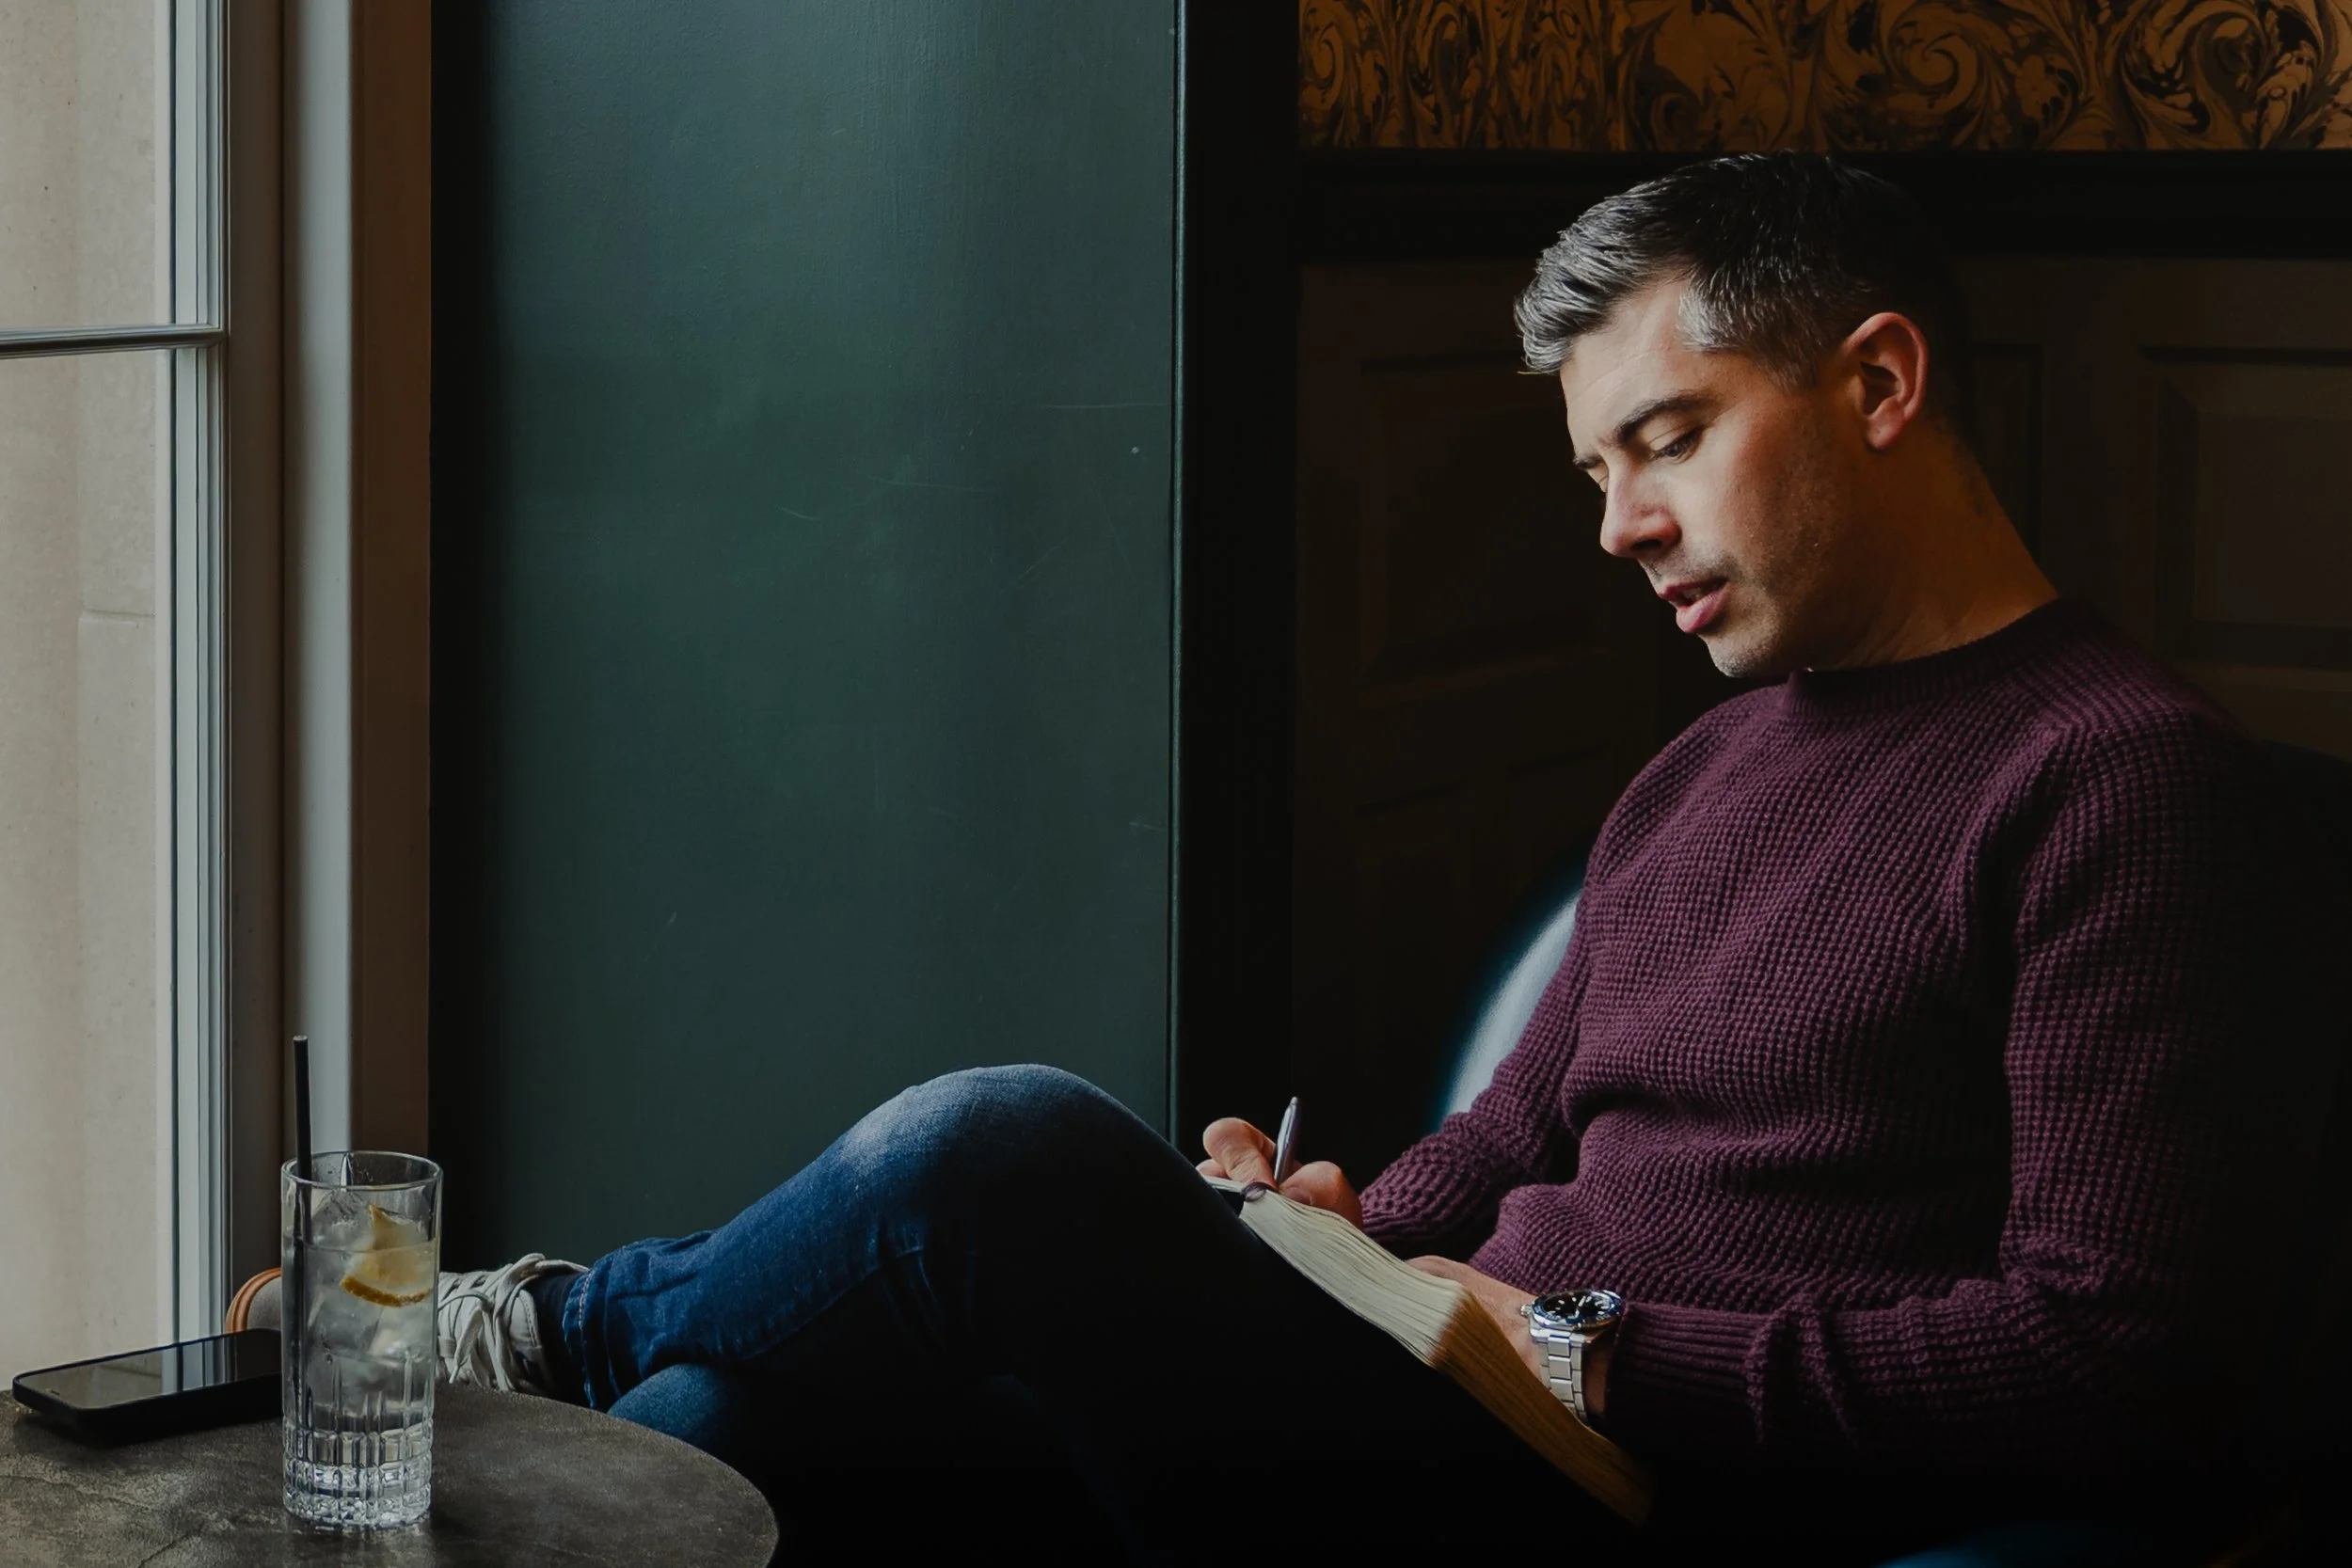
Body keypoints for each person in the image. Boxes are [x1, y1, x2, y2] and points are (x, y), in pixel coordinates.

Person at [233, 154, 2342, 1562]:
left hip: (1625, 1488)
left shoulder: (2120, 782)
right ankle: (598, 1352)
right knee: (730, 1409)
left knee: (997, 1146)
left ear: (1874, 379)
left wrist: (1585, 1345)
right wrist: (1334, 1228)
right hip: (1440, 1404)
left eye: (1665, 439)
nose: (1613, 521)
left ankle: (513, 1327)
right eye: (1594, 466)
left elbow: (2112, 1353)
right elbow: (1509, 1130)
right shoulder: (1700, 772)